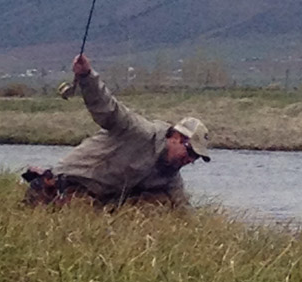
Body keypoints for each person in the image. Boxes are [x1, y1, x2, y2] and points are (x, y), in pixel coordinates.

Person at [22, 53, 210, 208]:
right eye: (190, 151)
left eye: (195, 158)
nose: (190, 160)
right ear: (176, 137)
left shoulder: (170, 176)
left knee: (161, 205)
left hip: (100, 203)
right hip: (66, 187)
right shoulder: (140, 131)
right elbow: (107, 108)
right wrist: (87, 76)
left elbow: (183, 209)